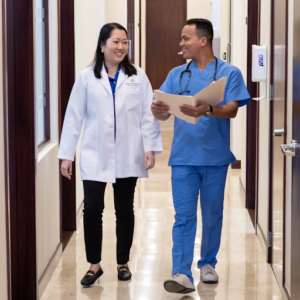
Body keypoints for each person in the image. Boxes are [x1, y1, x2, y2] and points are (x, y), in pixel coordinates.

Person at [58, 23, 162, 286]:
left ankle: (123, 262)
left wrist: (149, 147)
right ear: (102, 45)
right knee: (92, 209)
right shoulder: (86, 78)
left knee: (124, 210)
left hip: (129, 152)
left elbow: (147, 115)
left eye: (125, 42)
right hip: (95, 154)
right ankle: (94, 265)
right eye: (115, 42)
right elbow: (73, 117)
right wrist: (66, 154)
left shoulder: (138, 76)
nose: (121, 47)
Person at [151, 18, 250, 294]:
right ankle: (181, 272)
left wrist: (207, 109)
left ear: (203, 40)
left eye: (186, 38)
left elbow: (232, 109)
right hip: (183, 157)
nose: (181, 44)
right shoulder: (176, 74)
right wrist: (158, 108)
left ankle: (207, 263)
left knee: (212, 215)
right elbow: (161, 111)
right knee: (183, 216)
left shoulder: (229, 73)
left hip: (215, 157)